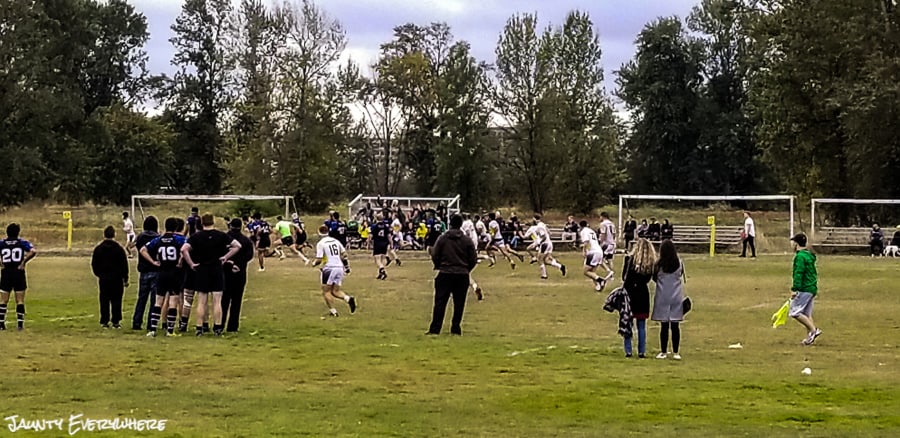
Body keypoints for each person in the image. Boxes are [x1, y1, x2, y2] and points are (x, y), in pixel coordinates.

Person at [181, 214, 242, 336]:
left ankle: (199, 328)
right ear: (213, 222)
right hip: (216, 269)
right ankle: (218, 327)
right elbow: (237, 246)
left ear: (202, 223)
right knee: (217, 301)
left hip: (202, 269)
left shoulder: (196, 237)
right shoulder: (221, 235)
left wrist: (191, 263)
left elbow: (183, 249)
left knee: (201, 301)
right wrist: (225, 257)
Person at [427, 214, 477, 335]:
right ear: (461, 225)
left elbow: (435, 254)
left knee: (440, 302)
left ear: (450, 224)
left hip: (445, 272)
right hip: (462, 274)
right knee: (459, 303)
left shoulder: (443, 238)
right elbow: (473, 258)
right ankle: (455, 328)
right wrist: (466, 269)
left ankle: (435, 328)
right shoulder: (467, 240)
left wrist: (439, 265)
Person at [141, 218, 186, 337]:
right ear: (176, 228)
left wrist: (153, 262)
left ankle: (153, 329)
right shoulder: (179, 239)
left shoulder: (158, 239)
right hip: (174, 272)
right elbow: (185, 249)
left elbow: (143, 250)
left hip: (161, 272)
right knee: (173, 301)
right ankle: (170, 331)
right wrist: (181, 260)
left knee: (158, 301)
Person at [622, 238, 656, 358]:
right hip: (643, 293)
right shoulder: (650, 263)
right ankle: (641, 351)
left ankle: (628, 350)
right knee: (641, 325)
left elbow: (624, 278)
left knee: (627, 323)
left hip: (630, 293)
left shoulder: (629, 260)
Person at [312, 225, 357, 317]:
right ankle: (348, 299)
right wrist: (346, 266)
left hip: (329, 268)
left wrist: (314, 263)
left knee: (326, 291)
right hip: (339, 267)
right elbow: (344, 254)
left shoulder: (321, 243)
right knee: (335, 291)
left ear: (319, 233)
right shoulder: (336, 241)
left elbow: (319, 259)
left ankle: (333, 312)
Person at [652, 239, 685, 360]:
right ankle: (676, 352)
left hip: (662, 296)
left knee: (664, 325)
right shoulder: (679, 263)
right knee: (675, 325)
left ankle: (663, 351)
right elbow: (680, 275)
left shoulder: (658, 265)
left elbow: (654, 278)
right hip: (676, 296)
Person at [0, 223, 37, 331]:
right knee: (20, 300)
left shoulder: (2, 243)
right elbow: (33, 251)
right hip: (18, 272)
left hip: (6, 272)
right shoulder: (21, 242)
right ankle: (20, 324)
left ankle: (1, 324)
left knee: (3, 300)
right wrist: (23, 262)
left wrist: (1, 264)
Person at [91, 226, 129, 329]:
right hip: (116, 279)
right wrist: (125, 278)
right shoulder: (119, 249)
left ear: (104, 235)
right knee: (117, 300)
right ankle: (116, 321)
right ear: (114, 235)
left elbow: (94, 264)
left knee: (104, 300)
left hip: (104, 279)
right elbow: (124, 265)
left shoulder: (98, 249)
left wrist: (99, 274)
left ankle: (104, 321)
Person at [222, 218, 255, 333]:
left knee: (223, 300)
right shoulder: (246, 240)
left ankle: (220, 323)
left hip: (225, 272)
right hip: (240, 273)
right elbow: (250, 256)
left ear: (230, 226)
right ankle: (233, 326)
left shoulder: (224, 238)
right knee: (236, 301)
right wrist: (239, 264)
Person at [788, 233, 821, 346]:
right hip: (811, 287)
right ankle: (810, 338)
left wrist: (794, 289)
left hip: (804, 288)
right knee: (806, 314)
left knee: (794, 312)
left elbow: (798, 273)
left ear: (796, 244)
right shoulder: (809, 255)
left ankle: (813, 330)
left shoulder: (800, 257)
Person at [132, 216, 159, 330]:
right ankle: (150, 323)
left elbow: (135, 246)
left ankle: (137, 322)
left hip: (143, 270)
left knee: (142, 298)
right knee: (154, 300)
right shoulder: (158, 238)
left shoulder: (140, 237)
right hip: (155, 270)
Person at [528, 214, 565, 279]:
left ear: (535, 219)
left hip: (545, 244)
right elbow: (549, 232)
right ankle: (560, 266)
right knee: (546, 260)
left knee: (539, 259)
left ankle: (544, 275)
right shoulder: (542, 224)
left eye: (533, 219)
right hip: (549, 243)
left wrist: (540, 242)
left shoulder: (539, 227)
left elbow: (544, 236)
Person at [580, 220, 607, 292]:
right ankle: (598, 286)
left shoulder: (584, 231)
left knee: (586, 271)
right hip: (599, 251)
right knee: (592, 272)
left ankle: (601, 280)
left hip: (593, 252)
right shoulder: (591, 231)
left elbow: (586, 242)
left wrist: (584, 251)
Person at [371, 210, 392, 280]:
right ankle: (380, 274)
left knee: (377, 260)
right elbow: (389, 236)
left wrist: (368, 243)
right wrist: (391, 243)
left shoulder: (375, 226)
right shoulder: (385, 226)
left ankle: (382, 270)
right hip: (384, 244)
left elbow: (370, 235)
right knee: (382, 259)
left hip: (377, 243)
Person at [598, 212, 617, 281]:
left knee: (599, 259)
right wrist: (613, 241)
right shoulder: (612, 223)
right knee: (610, 259)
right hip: (612, 243)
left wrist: (601, 243)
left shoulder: (603, 224)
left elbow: (603, 234)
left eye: (600, 217)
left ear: (603, 216)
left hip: (606, 244)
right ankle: (611, 276)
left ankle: (609, 271)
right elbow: (614, 234)